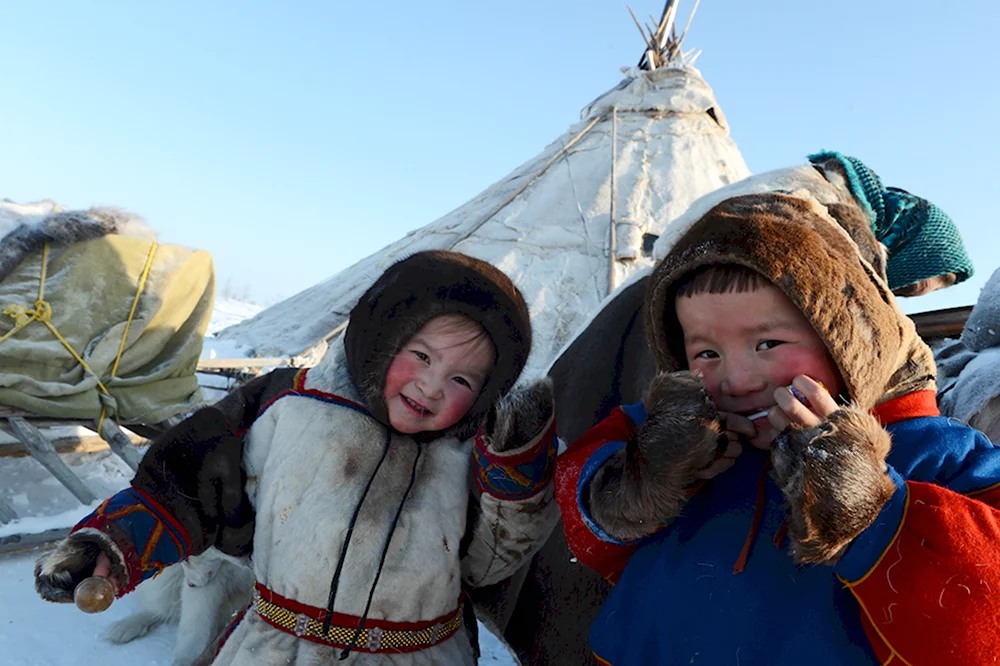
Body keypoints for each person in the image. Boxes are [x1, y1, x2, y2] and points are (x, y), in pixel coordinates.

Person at [35, 250, 560, 665]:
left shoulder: (469, 452)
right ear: (382, 337)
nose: (432, 385)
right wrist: (114, 544)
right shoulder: (290, 403)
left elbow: (488, 562)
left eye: (462, 379)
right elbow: (188, 483)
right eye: (421, 356)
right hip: (276, 650)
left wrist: (516, 473)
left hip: (419, 654)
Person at [554, 193, 1000, 665]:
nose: (739, 380)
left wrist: (872, 508)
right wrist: (640, 481)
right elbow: (581, 522)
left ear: (844, 339)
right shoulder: (671, 438)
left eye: (768, 343)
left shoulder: (929, 452)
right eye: (707, 353)